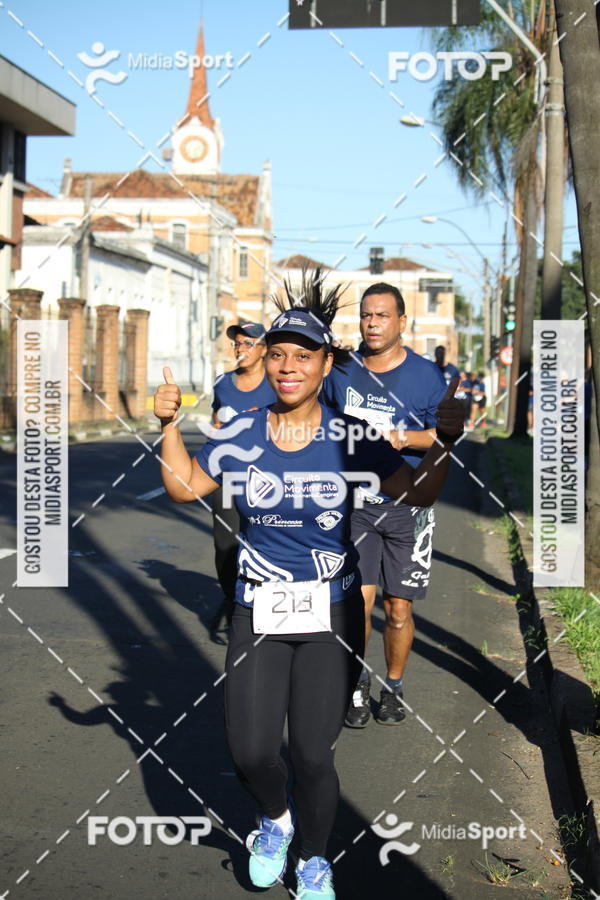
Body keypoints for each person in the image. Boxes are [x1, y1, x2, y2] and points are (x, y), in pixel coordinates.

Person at [153, 270, 464, 898]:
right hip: (257, 610)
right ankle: (275, 820)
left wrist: (446, 442)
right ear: (265, 362)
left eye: (303, 356)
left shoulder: (352, 437)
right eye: (277, 355)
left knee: (315, 755)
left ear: (327, 364)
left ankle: (315, 859)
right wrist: (166, 425)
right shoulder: (240, 431)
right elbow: (185, 487)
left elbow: (420, 493)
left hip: (331, 613)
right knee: (250, 751)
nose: (288, 366)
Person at [321, 282, 448, 728]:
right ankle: (356, 683)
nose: (372, 324)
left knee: (398, 609)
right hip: (355, 503)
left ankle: (393, 686)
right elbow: (318, 417)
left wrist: (400, 438)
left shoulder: (426, 377)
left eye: (381, 316)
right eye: (366, 316)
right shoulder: (343, 371)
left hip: (408, 507)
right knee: (358, 602)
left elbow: (444, 436)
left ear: (401, 323)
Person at [209, 321, 277, 638]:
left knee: (264, 545)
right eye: (237, 344)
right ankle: (230, 596)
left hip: (267, 479)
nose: (241, 349)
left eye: (249, 344)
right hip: (227, 478)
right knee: (225, 546)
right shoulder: (223, 384)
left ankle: (255, 607)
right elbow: (216, 425)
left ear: (263, 350)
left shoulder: (276, 384)